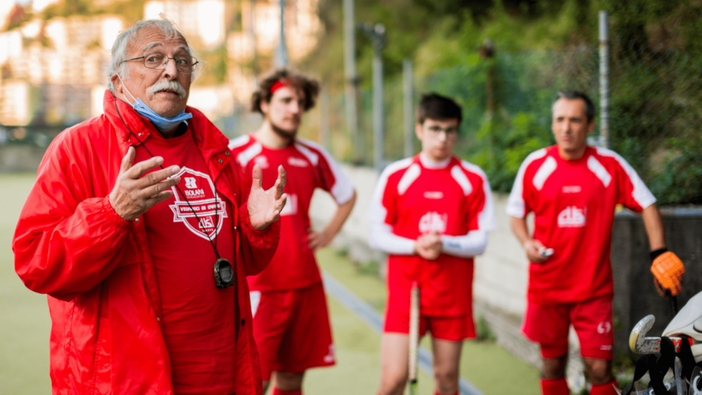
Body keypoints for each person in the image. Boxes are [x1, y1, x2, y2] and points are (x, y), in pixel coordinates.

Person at [12, 19, 288, 395]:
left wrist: (255, 229)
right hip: (127, 380)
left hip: (223, 372)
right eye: (153, 58)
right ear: (117, 81)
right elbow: (35, 264)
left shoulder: (216, 150)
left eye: (183, 60)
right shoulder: (78, 148)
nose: (171, 70)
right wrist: (112, 215)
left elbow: (244, 266)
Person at [506, 91, 685, 395]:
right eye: (560, 120)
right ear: (552, 124)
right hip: (546, 287)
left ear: (589, 124)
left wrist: (659, 253)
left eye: (575, 120)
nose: (566, 127)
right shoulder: (535, 165)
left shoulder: (609, 165)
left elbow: (647, 204)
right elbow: (515, 213)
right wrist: (526, 242)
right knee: (552, 364)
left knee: (599, 369)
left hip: (593, 290)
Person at [229, 69, 356, 395]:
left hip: (305, 285)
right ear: (265, 104)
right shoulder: (236, 153)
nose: (295, 109)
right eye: (286, 100)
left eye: (300, 102)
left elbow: (347, 194)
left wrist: (327, 234)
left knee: (292, 382)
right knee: (253, 382)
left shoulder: (313, 155)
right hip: (259, 289)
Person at [367, 93, 496, 395]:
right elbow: (377, 234)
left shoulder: (472, 178)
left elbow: (480, 242)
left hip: (452, 296)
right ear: (419, 129)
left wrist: (444, 243)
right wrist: (416, 246)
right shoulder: (397, 175)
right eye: (435, 129)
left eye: (450, 130)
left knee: (447, 380)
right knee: (393, 380)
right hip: (406, 295)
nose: (443, 138)